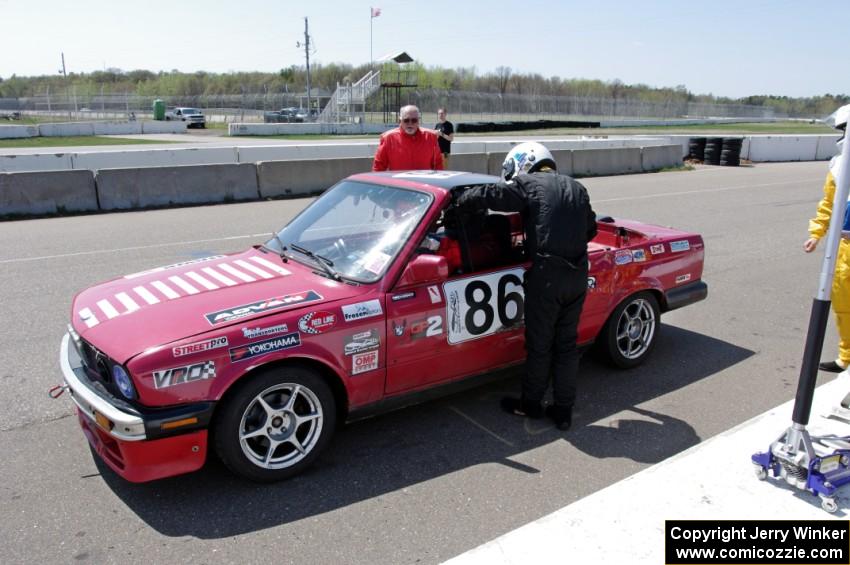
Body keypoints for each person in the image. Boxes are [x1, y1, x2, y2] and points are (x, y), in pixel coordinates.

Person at [453, 142, 597, 430]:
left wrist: (461, 201)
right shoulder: (577, 188)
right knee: (567, 345)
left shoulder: (529, 183)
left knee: (541, 346)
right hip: (577, 276)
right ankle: (563, 411)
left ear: (523, 163)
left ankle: (530, 405)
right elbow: (590, 229)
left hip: (547, 278)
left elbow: (493, 195)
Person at [805, 103, 850, 373]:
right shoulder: (838, 167)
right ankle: (846, 358)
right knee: (843, 307)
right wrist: (816, 233)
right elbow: (829, 205)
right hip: (844, 247)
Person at [372, 105, 444, 171]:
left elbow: (438, 165)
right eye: (406, 120)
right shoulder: (388, 138)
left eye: (414, 120)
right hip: (399, 184)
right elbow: (378, 168)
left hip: (423, 184)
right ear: (400, 121)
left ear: (418, 121)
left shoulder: (431, 137)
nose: (410, 123)